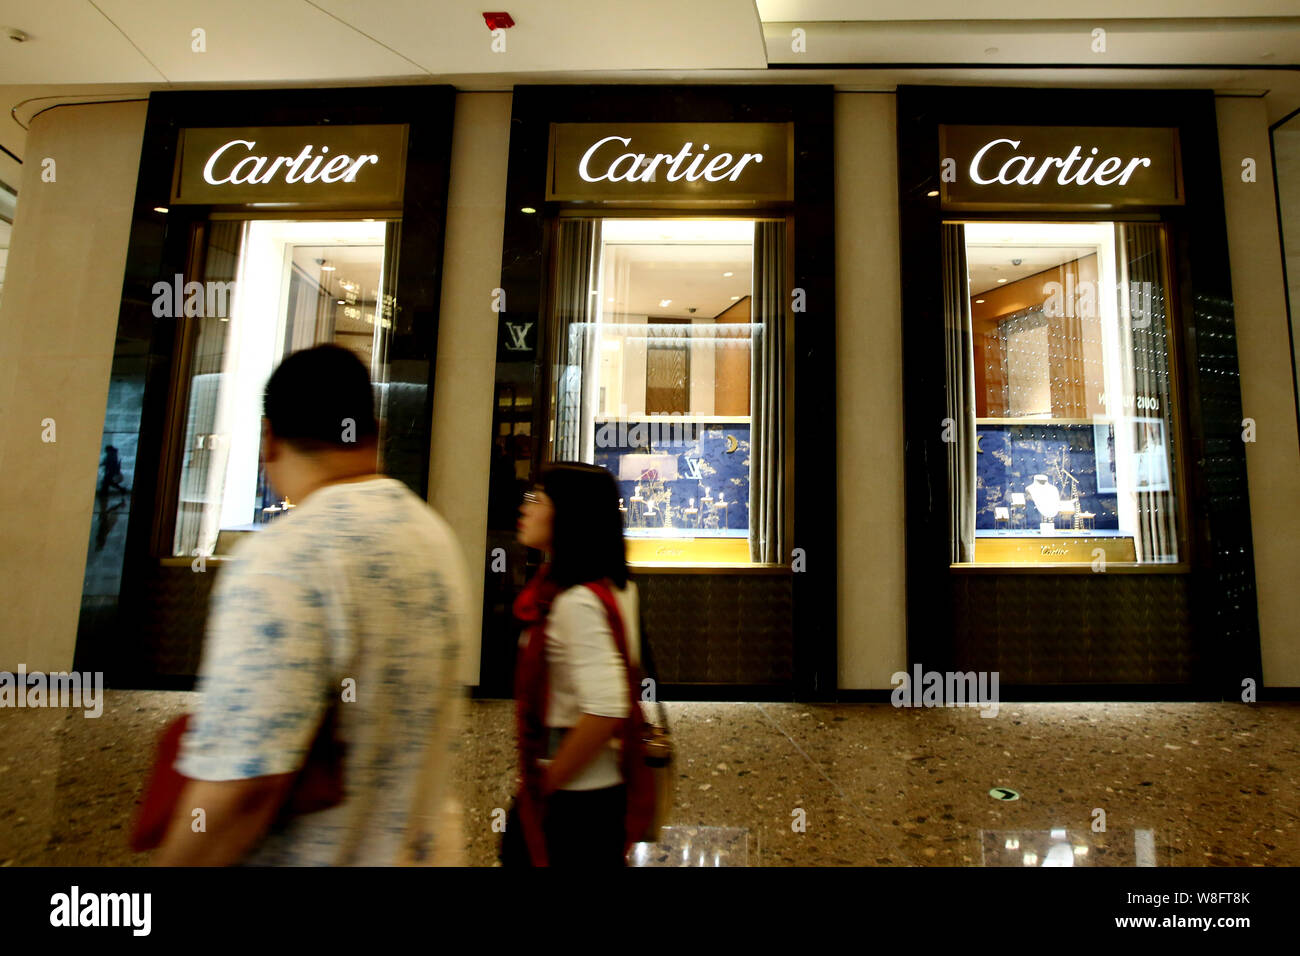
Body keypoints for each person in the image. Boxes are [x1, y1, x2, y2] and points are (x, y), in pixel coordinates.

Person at [153, 344, 468, 866]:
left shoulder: (282, 558)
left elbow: (243, 789)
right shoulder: (433, 538)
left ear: (268, 437)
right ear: (378, 430)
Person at [503, 462, 650, 867]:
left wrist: (546, 784)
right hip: (602, 791)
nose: (525, 508)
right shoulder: (613, 587)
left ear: (569, 513)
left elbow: (606, 708)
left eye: (537, 498)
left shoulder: (576, 603)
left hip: (575, 801)